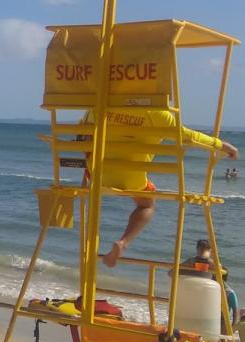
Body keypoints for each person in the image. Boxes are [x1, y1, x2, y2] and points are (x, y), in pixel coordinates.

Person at [82, 109, 238, 268]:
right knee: (147, 204)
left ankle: (87, 259)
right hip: (133, 179)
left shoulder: (99, 105)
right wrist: (222, 145)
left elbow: (84, 136)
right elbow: (189, 137)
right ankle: (123, 242)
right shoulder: (158, 114)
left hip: (98, 175)